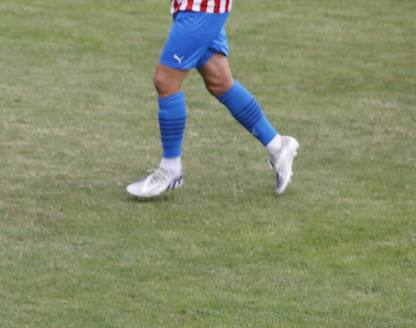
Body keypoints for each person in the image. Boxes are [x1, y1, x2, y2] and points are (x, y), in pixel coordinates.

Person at [127, 0, 299, 199]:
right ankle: (278, 146)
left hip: (202, 7)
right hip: (194, 7)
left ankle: (169, 169)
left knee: (165, 81)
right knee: (219, 82)